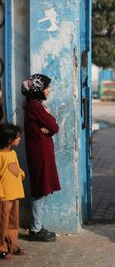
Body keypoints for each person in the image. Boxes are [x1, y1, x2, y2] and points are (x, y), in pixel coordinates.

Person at [21, 74, 60, 242]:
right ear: (37, 90)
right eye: (46, 88)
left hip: (40, 151)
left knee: (42, 189)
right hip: (40, 153)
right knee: (40, 190)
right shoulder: (35, 107)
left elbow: (50, 127)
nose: (49, 90)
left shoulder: (34, 105)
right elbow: (54, 125)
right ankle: (35, 230)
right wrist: (50, 127)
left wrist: (49, 128)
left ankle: (37, 226)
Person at [0, 123, 25, 260]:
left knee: (14, 222)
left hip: (15, 193)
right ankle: (1, 247)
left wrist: (21, 174)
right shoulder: (0, 155)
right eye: (17, 137)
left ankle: (13, 245)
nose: (19, 139)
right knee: (3, 222)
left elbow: (16, 168)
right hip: (4, 196)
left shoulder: (13, 153)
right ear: (9, 140)